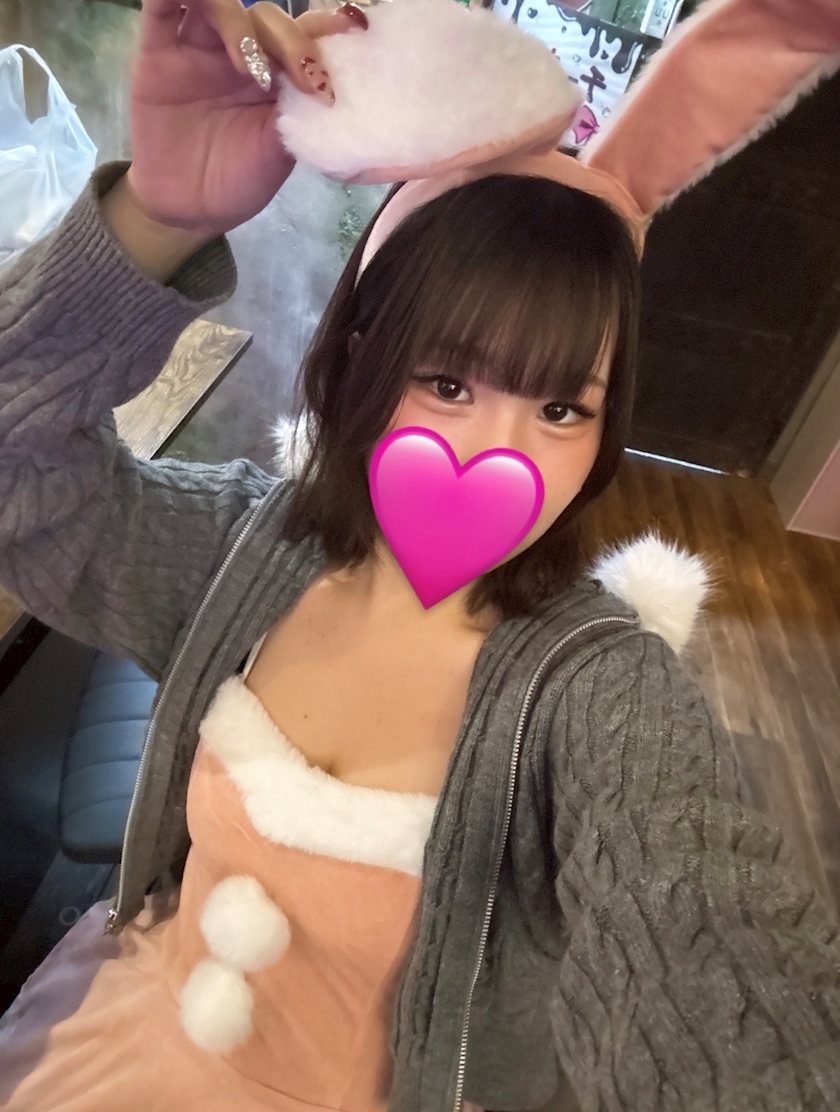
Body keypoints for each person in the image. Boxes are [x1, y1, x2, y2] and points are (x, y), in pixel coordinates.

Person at [1, 0, 840, 1109]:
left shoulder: (598, 694)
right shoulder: (240, 554)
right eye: (448, 383)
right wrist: (156, 215)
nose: (503, 457)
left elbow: (712, 951)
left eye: (561, 407)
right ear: (361, 356)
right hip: (117, 1041)